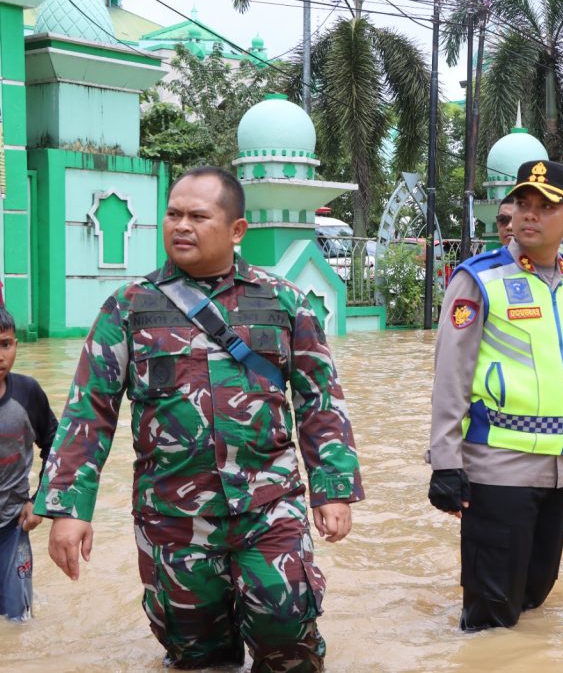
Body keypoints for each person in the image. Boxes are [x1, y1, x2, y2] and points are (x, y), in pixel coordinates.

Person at [34, 167, 363, 671]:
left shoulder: (283, 302)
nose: (181, 226)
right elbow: (89, 410)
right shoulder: (129, 308)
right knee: (197, 655)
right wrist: (69, 508)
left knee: (288, 634)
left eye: (197, 216)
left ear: (236, 230)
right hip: (172, 519)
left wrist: (332, 489)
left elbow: (320, 399)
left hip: (267, 507)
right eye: (173, 214)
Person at [427, 160, 563, 631]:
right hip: (496, 470)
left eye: (546, 207)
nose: (530, 214)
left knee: (534, 598)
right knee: (491, 617)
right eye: (524, 203)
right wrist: (445, 463)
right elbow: (451, 375)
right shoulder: (479, 279)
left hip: (558, 475)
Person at [0, 309, 57, 621]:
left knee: (18, 620)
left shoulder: (27, 393)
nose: (0, 355)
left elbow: (56, 446)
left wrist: (39, 500)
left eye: (5, 344)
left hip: (12, 528)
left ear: (16, 345)